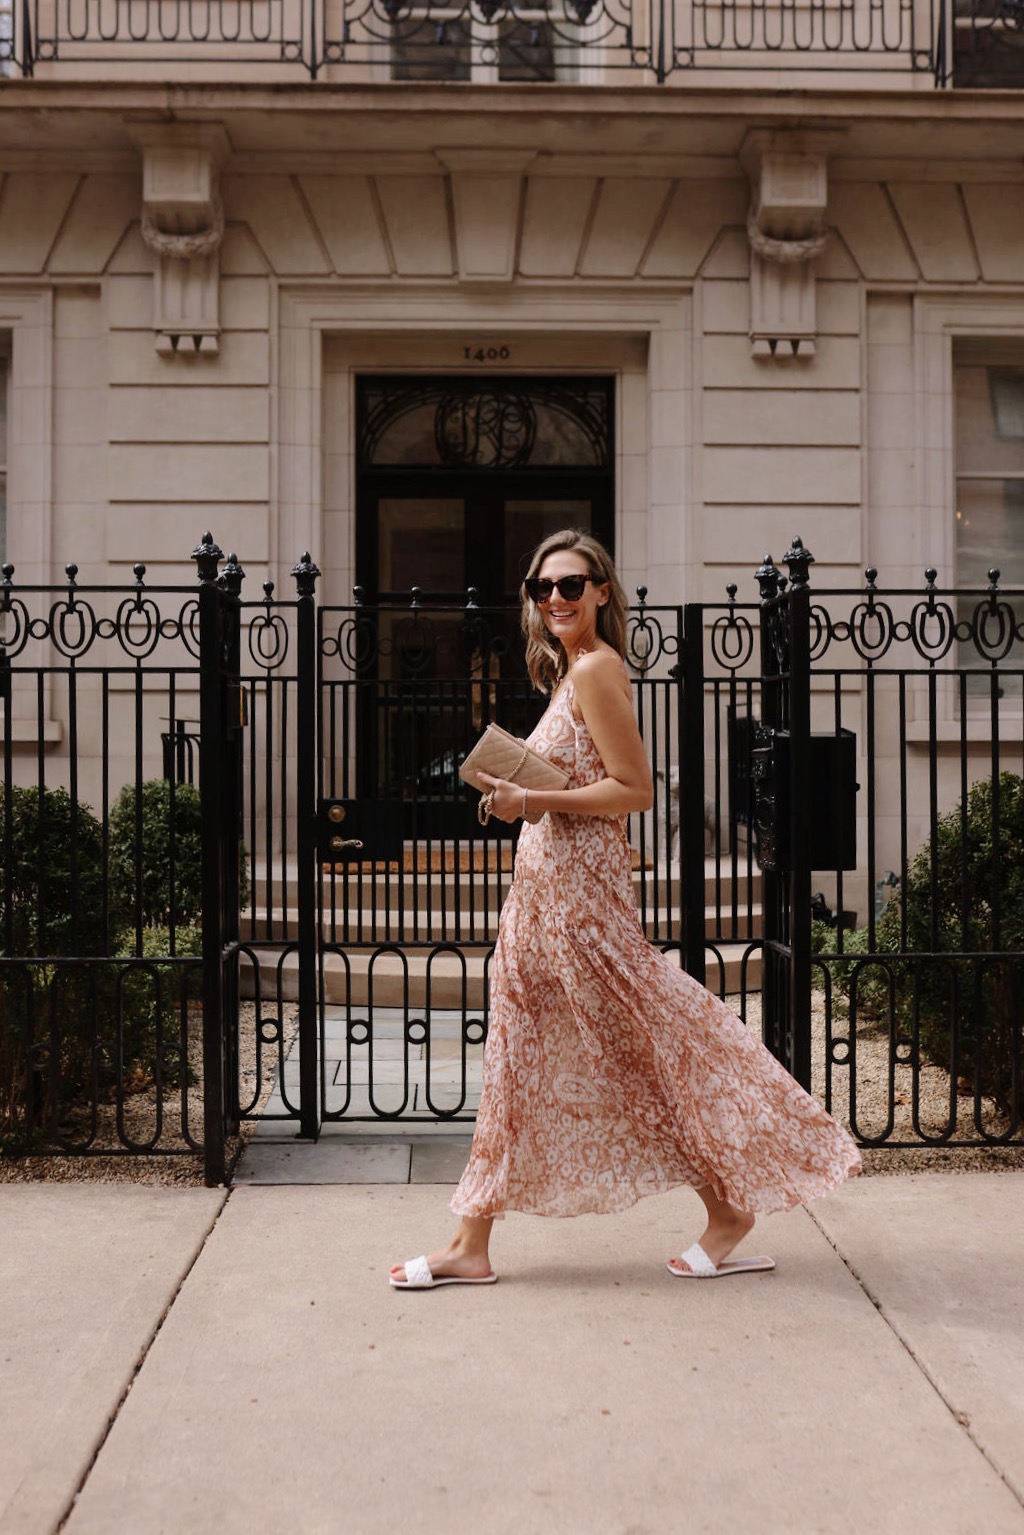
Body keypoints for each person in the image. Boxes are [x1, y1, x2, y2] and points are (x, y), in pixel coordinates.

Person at [390, 530, 861, 1290]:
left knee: (643, 1059)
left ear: (603, 591)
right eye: (542, 588)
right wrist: (523, 790)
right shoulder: (568, 673)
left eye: (570, 586)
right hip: (538, 904)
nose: (554, 600)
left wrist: (530, 796)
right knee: (511, 1062)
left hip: (585, 911)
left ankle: (729, 1206)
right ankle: (468, 1244)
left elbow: (634, 789)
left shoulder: (600, 670)